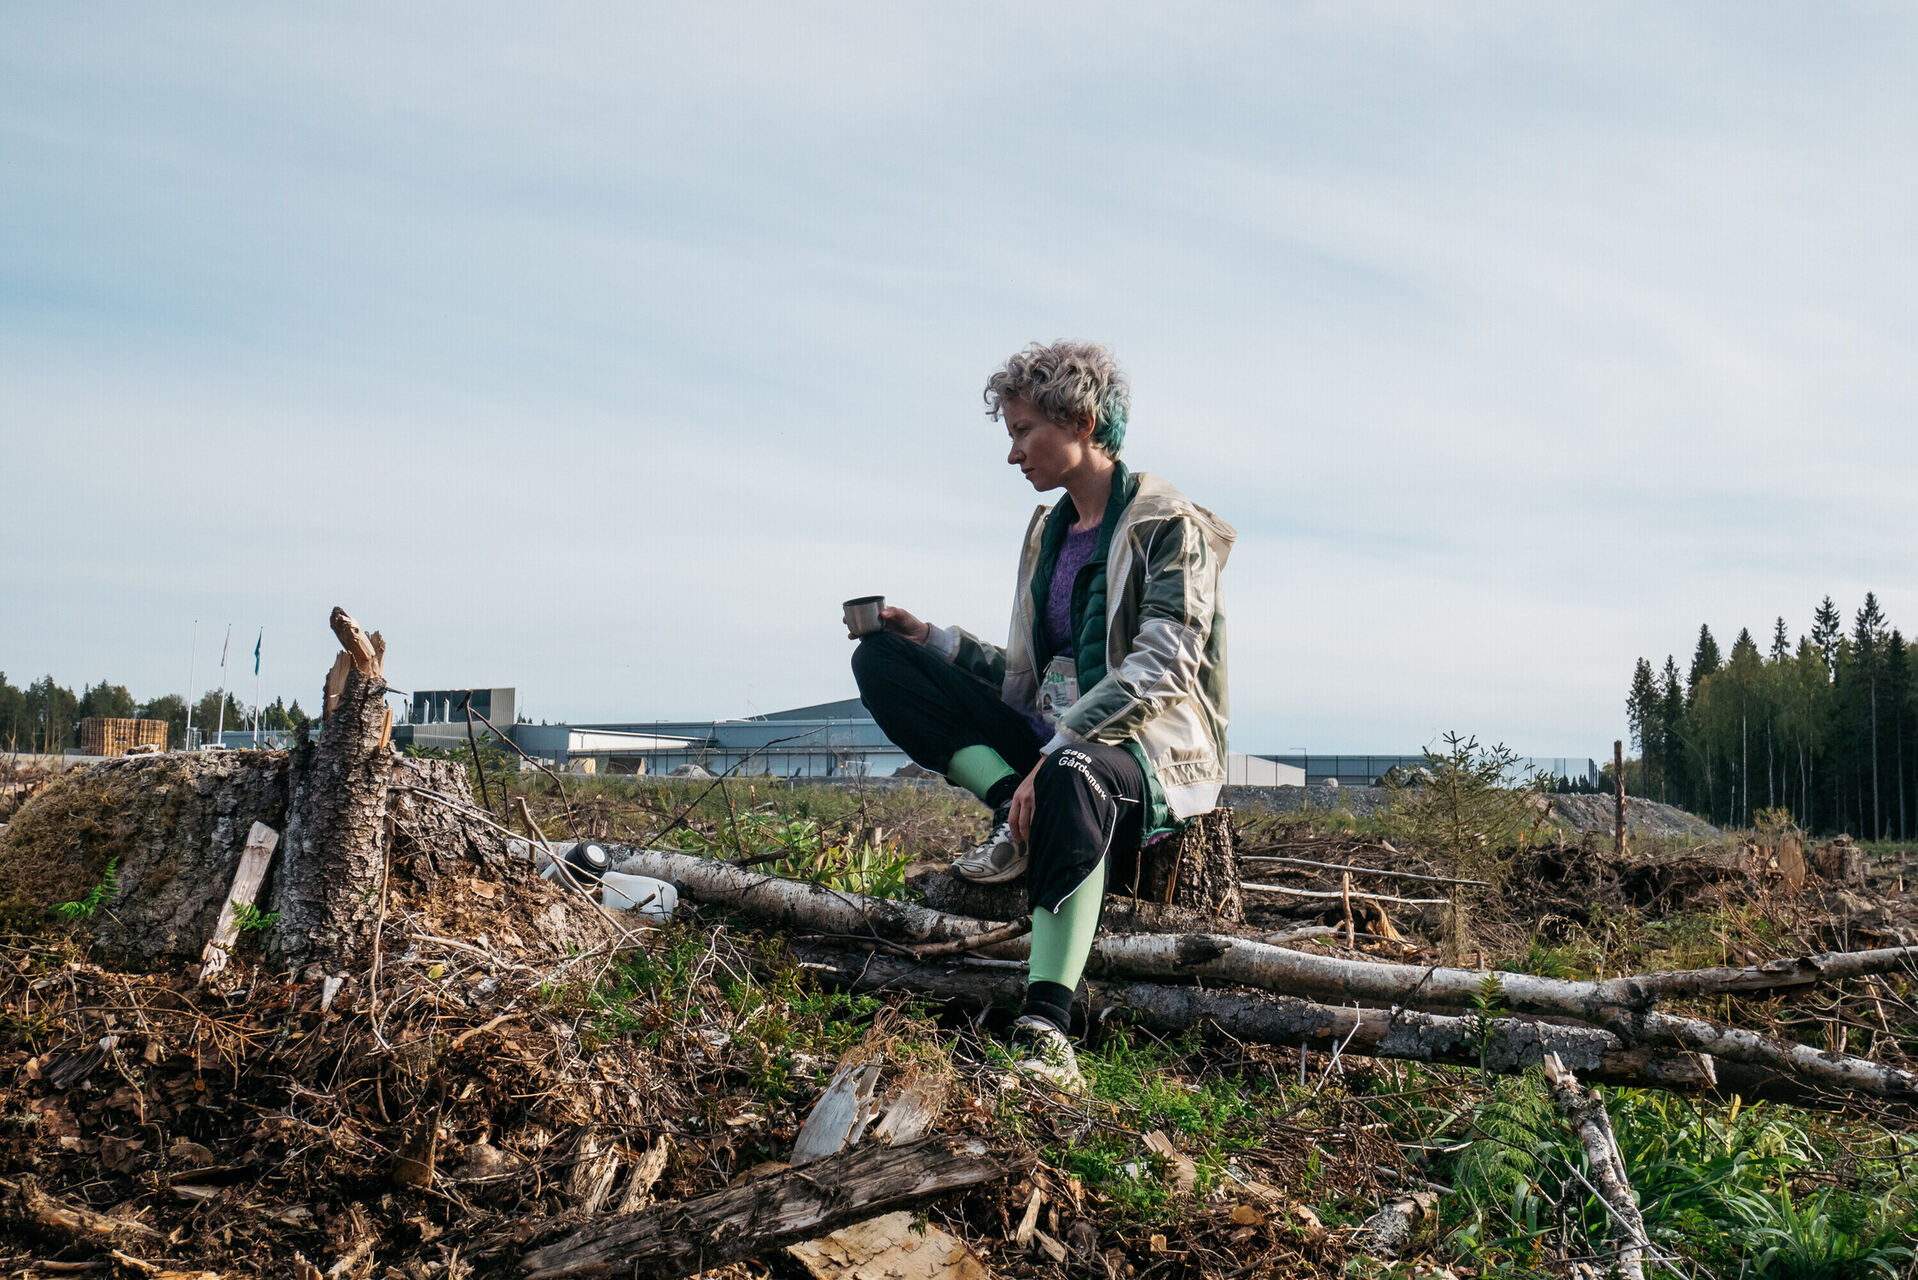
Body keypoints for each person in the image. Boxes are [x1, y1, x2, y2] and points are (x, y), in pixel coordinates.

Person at [849, 340, 1234, 1091]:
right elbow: (1030, 677)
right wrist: (933, 641)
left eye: (1024, 431)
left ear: (1081, 422)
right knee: (882, 660)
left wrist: (1058, 750)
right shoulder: (1049, 533)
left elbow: (1164, 666)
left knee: (1072, 770)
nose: (1013, 453)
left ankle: (1046, 1031)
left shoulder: (1168, 525)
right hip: (1052, 739)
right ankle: (1012, 814)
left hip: (1143, 750)